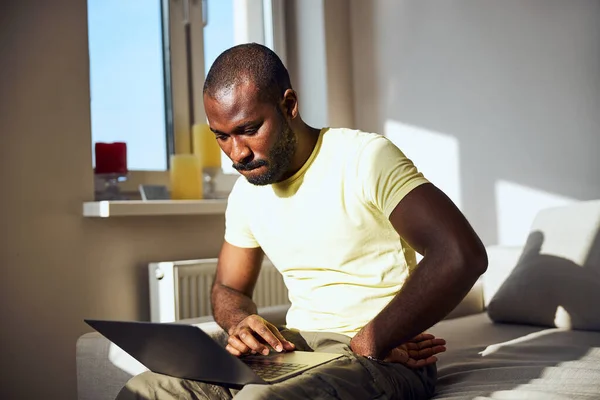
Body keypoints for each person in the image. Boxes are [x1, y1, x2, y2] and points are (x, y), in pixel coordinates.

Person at [117, 43, 487, 400]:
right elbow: (229, 289)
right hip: (296, 348)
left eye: (248, 129)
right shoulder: (247, 192)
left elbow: (459, 254)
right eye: (222, 137)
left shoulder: (364, 158)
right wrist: (241, 322)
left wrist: (372, 340)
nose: (237, 153)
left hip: (385, 354)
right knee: (147, 390)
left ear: (289, 105)